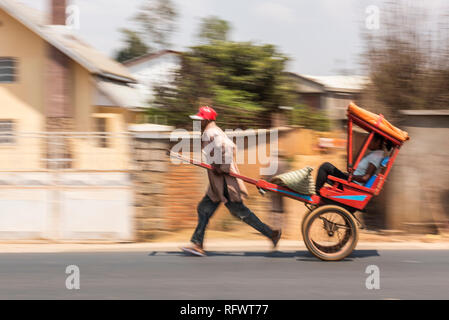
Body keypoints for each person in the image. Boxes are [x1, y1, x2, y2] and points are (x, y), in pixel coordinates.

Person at [181, 106, 282, 257]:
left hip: (224, 184)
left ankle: (197, 244)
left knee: (232, 211)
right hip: (218, 183)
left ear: (207, 120)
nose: (198, 123)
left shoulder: (211, 132)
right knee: (207, 209)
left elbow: (228, 148)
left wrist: (221, 168)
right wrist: (219, 167)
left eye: (200, 120)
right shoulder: (212, 131)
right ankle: (271, 234)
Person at [315, 133, 391, 195]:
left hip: (353, 185)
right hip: (353, 181)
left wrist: (352, 177)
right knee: (329, 170)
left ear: (377, 142)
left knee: (325, 166)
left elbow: (365, 178)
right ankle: (318, 191)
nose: (367, 142)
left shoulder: (376, 156)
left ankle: (316, 193)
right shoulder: (376, 154)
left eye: (370, 140)